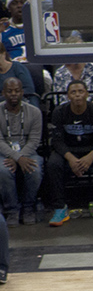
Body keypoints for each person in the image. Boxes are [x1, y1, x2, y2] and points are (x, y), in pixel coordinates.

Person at [46, 80, 93, 227]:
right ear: (68, 96)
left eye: (80, 91)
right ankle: (59, 208)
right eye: (73, 92)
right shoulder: (59, 112)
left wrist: (90, 157)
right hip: (69, 151)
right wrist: (71, 159)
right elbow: (57, 142)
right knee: (53, 163)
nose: (77, 95)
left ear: (87, 94)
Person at [0, 77, 40, 226]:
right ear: (3, 93)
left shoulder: (34, 112)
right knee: (3, 171)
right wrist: (17, 158)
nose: (13, 94)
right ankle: (12, 210)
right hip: (4, 154)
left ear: (22, 92)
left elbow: (35, 140)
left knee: (35, 169)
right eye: (9, 91)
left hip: (28, 153)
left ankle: (28, 207)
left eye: (17, 91)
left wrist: (21, 156)